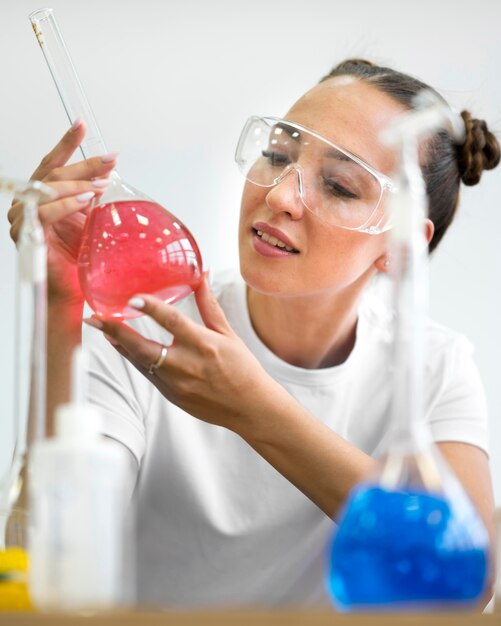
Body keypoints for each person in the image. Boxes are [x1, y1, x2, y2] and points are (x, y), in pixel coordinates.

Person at [8, 59, 500, 609]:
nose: (280, 196)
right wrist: (60, 304)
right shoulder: (142, 328)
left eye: (338, 185)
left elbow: (469, 582)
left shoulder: (435, 368)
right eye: (276, 155)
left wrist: (257, 409)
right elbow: (46, 563)